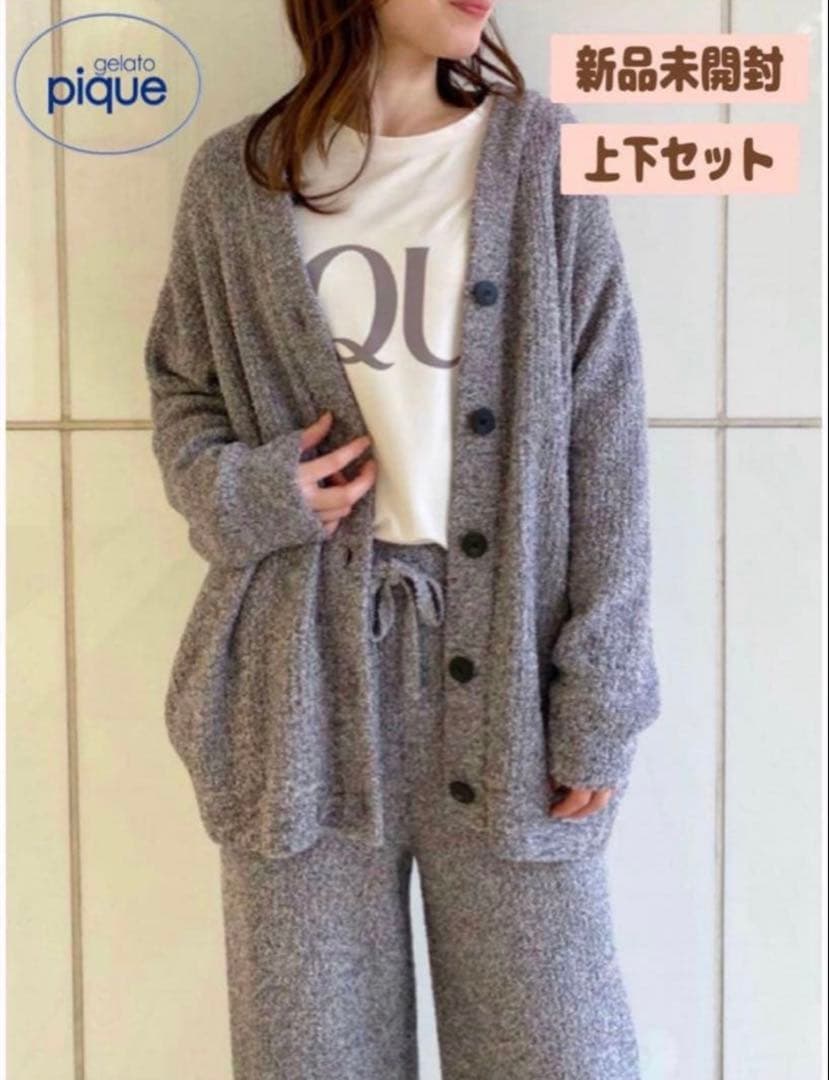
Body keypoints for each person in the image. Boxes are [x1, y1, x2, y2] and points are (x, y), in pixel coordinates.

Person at [144, 1, 661, 1076]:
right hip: (298, 684)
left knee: (560, 1052)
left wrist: (600, 692)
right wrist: (256, 491)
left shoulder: (543, 159)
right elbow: (183, 392)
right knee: (312, 1055)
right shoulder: (236, 181)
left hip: (509, 686)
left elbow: (604, 438)